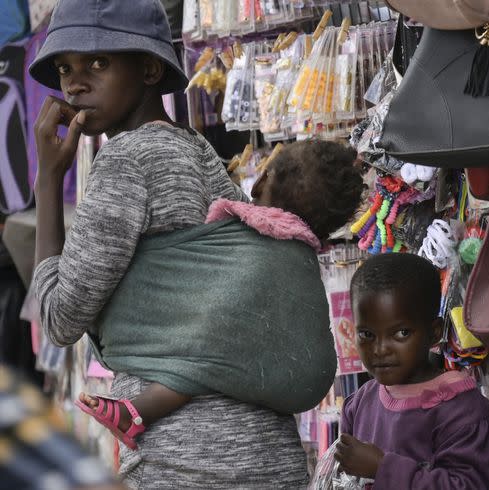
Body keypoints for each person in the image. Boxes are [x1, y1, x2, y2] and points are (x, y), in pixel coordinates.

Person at [29, 0, 360, 487]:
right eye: (64, 68)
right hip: (269, 453)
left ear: (148, 68)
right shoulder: (201, 154)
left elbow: (60, 318)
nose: (75, 83)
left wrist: (49, 182)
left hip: (186, 460)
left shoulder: (127, 160)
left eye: (98, 63)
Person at [74, 138, 364, 450]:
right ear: (330, 228)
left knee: (204, 358)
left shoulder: (244, 225)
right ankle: (134, 412)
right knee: (213, 355)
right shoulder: (301, 260)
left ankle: (137, 413)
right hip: (260, 440)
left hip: (204, 355)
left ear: (260, 182)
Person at [335, 253, 489, 489]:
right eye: (367, 334)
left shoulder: (464, 415)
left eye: (401, 333)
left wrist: (382, 468)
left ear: (434, 333)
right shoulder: (359, 404)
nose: (380, 349)